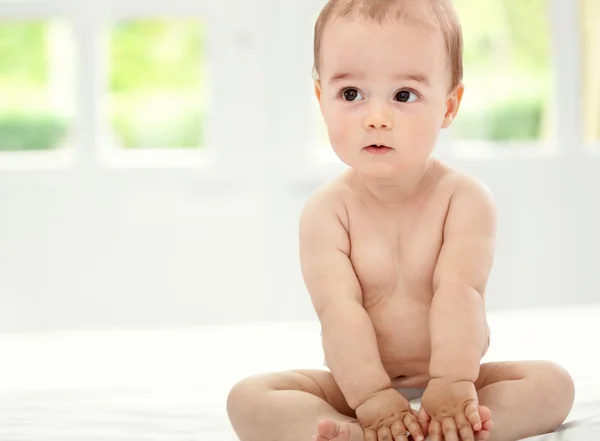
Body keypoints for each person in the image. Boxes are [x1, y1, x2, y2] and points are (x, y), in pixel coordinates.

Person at [226, 1, 575, 440]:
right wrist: (372, 399)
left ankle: (461, 427)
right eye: (351, 94)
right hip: (357, 388)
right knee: (249, 398)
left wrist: (452, 386)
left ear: (449, 106)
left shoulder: (463, 200)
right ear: (321, 100)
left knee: (552, 384)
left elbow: (459, 292)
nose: (376, 118)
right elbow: (339, 312)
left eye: (403, 96)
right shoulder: (327, 212)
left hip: (457, 378)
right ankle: (360, 432)